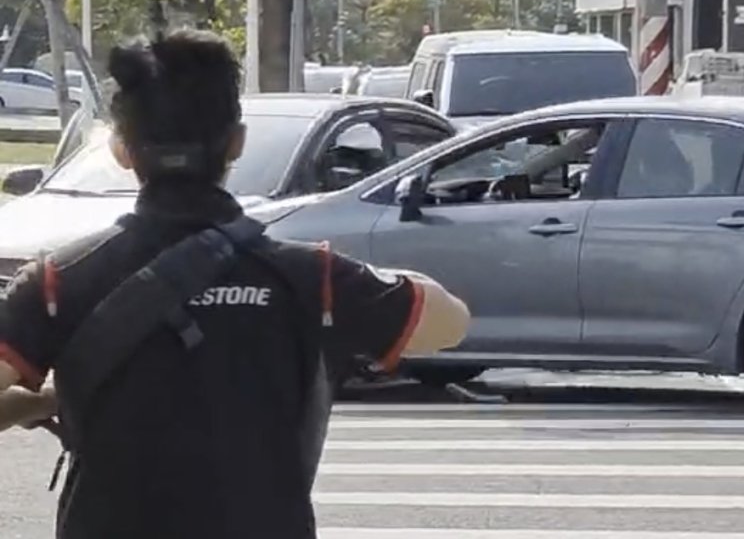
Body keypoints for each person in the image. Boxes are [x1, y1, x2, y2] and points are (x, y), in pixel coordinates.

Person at [0, 29, 470, 539]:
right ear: (237, 142)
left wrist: (44, 400)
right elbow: (449, 322)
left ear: (120, 151)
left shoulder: (55, 280)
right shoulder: (310, 277)